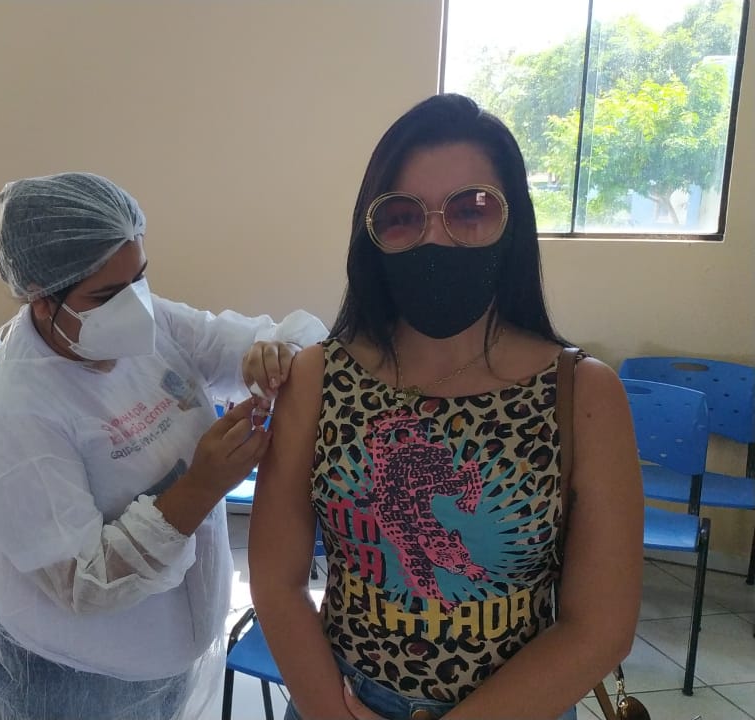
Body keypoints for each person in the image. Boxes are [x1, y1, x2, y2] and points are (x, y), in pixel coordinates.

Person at [249, 94, 643, 720]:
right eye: (403, 216)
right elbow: (276, 579)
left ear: (513, 223)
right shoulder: (318, 377)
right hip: (343, 701)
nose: (436, 236)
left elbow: (600, 626)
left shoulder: (583, 393)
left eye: (471, 209)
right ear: (372, 233)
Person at [0, 171, 328, 720]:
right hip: (74, 672)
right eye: (106, 295)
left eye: (140, 278)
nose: (134, 306)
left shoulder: (152, 323)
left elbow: (278, 342)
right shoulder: (7, 415)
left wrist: (278, 351)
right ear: (40, 298)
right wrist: (201, 486)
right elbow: (86, 583)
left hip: (168, 647)